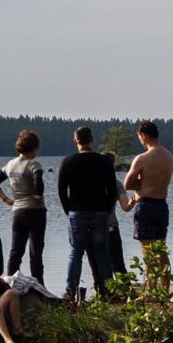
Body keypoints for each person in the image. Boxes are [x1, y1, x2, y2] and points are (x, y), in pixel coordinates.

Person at [57, 125, 124, 302]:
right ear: (91, 140)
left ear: (75, 141)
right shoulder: (104, 162)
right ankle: (108, 291)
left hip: (77, 212)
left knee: (75, 252)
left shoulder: (67, 162)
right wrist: (107, 208)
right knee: (102, 253)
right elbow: (111, 189)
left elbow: (62, 191)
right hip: (99, 212)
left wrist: (68, 210)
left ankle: (70, 291)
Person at [0, 129, 50, 280]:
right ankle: (38, 285)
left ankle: (9, 282)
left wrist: (6, 199)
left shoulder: (10, 165)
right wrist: (37, 194)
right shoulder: (33, 164)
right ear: (34, 147)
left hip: (17, 211)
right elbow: (39, 185)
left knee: (16, 250)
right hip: (35, 211)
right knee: (35, 251)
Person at [122, 121, 173, 294]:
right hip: (162, 205)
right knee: (161, 250)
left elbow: (127, 184)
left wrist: (140, 184)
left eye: (138, 136)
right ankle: (164, 289)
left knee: (148, 252)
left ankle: (151, 291)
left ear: (143, 135)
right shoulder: (168, 156)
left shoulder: (142, 158)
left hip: (145, 206)